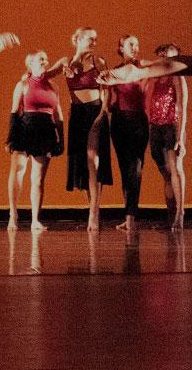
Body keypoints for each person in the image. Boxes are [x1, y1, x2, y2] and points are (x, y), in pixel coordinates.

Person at [59, 27, 113, 231]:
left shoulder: (98, 62)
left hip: (95, 112)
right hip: (77, 115)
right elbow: (45, 74)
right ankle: (93, 206)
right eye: (91, 39)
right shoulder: (67, 62)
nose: (94, 42)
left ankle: (93, 213)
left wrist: (102, 114)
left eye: (96, 39)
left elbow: (107, 91)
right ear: (78, 39)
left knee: (93, 160)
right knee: (84, 163)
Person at [6, 51, 64, 232]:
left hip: (45, 131)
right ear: (30, 63)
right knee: (18, 171)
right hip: (25, 130)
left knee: (38, 179)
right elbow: (14, 112)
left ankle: (35, 220)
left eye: (46, 58)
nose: (45, 61)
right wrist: (10, 138)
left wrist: (61, 140)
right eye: (41, 58)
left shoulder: (53, 87)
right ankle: (13, 214)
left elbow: (58, 115)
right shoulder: (23, 84)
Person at [108, 35, 150, 232]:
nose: (135, 47)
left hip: (137, 122)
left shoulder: (143, 68)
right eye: (131, 44)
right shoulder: (115, 71)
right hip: (118, 121)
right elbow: (110, 99)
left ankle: (132, 216)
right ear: (121, 47)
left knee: (135, 168)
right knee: (125, 170)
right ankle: (128, 215)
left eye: (137, 44)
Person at [145, 43, 188, 231]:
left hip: (172, 126)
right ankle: (170, 216)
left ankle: (180, 214)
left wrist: (179, 135)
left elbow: (182, 107)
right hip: (156, 127)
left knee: (175, 169)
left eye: (170, 56)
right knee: (166, 174)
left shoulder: (177, 78)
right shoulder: (155, 78)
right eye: (163, 55)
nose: (166, 59)